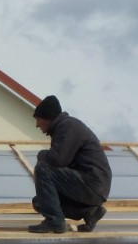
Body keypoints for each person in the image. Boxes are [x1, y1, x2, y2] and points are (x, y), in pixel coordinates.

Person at [28, 95, 112, 234]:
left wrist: (41, 155)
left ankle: (54, 222)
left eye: (38, 120)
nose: (37, 125)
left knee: (43, 168)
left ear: (48, 117)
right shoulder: (63, 127)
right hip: (91, 185)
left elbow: (58, 160)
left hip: (92, 183)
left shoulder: (67, 126)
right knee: (40, 202)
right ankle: (89, 212)